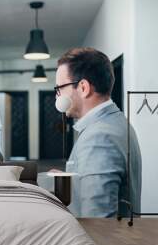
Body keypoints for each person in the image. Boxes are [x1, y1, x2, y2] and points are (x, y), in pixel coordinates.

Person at [54, 47, 142, 218]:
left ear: (83, 87)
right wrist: (73, 180)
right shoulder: (116, 123)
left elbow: (99, 222)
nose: (58, 96)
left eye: (60, 88)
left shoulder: (99, 138)